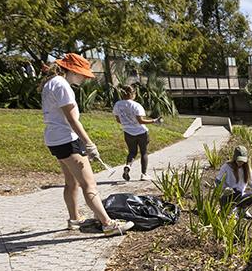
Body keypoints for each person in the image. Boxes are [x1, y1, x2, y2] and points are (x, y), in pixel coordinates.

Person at [40, 53, 133, 235]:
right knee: (89, 185)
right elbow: (72, 119)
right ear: (73, 71)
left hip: (54, 139)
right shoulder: (62, 85)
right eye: (83, 74)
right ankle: (107, 224)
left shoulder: (52, 83)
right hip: (67, 139)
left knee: (71, 182)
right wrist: (89, 143)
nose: (85, 78)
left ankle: (75, 219)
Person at [113, 85, 161, 182]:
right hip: (141, 132)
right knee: (144, 152)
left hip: (128, 132)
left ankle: (128, 165)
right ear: (132, 94)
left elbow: (118, 120)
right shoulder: (136, 105)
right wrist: (154, 121)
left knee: (132, 152)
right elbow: (141, 121)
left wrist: (128, 123)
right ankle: (144, 174)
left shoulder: (118, 104)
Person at [215, 145, 252, 219]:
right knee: (237, 192)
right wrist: (224, 189)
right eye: (239, 160)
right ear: (234, 158)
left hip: (240, 195)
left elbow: (249, 182)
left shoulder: (246, 168)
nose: (240, 163)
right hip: (228, 197)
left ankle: (242, 209)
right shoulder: (227, 167)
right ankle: (230, 211)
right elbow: (217, 181)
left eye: (242, 161)